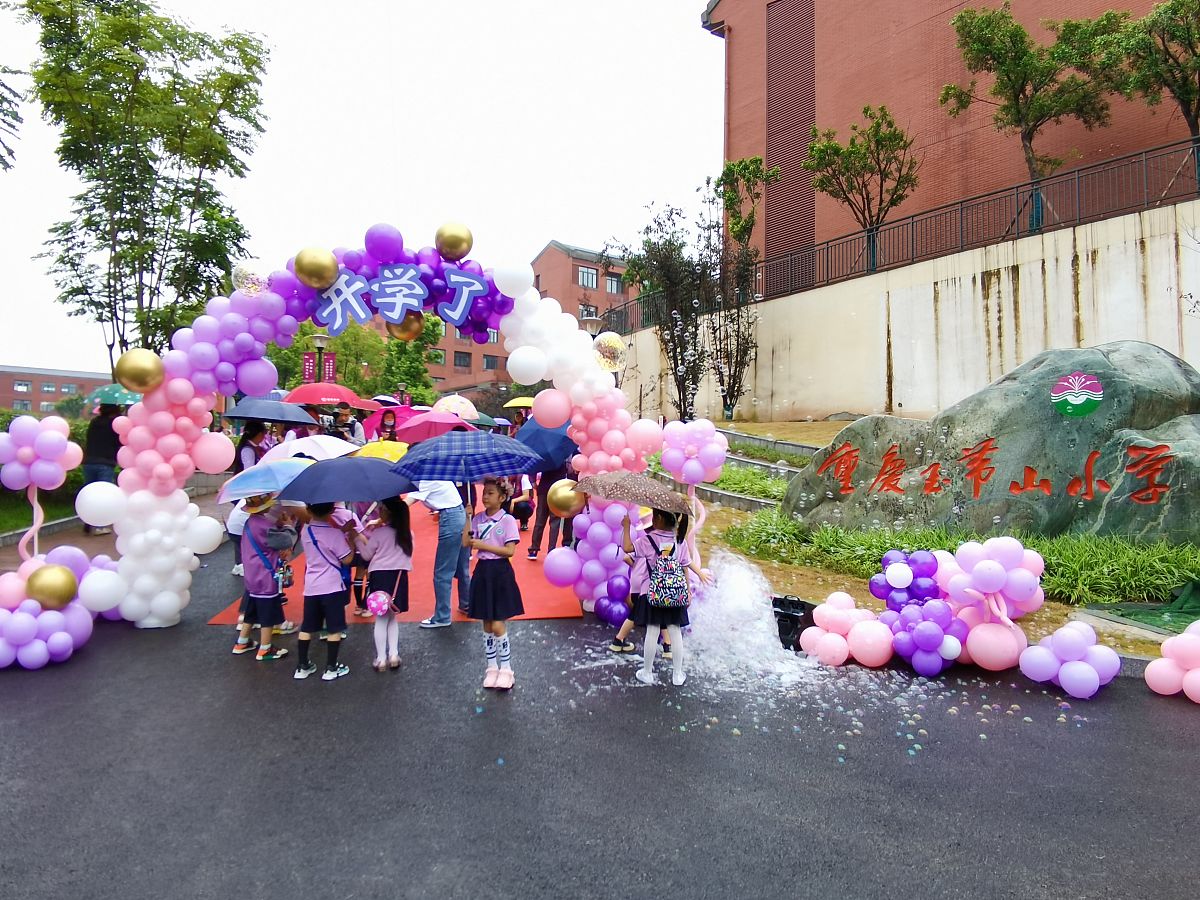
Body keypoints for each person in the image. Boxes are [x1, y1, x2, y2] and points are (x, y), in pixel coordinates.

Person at [622, 508, 709, 686]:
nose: (652, 519)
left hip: (651, 592)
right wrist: (689, 587)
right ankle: (677, 675)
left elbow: (627, 548)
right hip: (674, 594)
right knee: (675, 632)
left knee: (652, 631)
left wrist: (626, 527)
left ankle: (647, 672)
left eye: (654, 516)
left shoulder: (648, 539)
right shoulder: (679, 541)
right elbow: (685, 565)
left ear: (659, 518)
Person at [464, 477, 524, 690]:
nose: (485, 496)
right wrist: (467, 518)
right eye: (484, 492)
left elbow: (510, 551)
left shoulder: (506, 520)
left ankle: (506, 669)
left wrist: (483, 545)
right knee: (487, 624)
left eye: (490, 493)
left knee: (498, 623)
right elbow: (466, 543)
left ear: (502, 497)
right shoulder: (478, 518)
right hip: (482, 572)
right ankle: (491, 668)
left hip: (500, 573)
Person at [294, 502, 356, 681]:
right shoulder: (334, 533)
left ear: (309, 510)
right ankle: (331, 667)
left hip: (311, 586)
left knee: (307, 626)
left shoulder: (306, 531)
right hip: (332, 586)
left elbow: (322, 542)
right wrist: (350, 538)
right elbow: (347, 559)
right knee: (333, 628)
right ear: (331, 511)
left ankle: (303, 665)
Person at [232, 496, 297, 662]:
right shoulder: (265, 526)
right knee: (268, 612)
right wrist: (289, 525)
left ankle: (242, 641)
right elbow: (286, 540)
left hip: (252, 574)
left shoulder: (250, 522)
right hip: (265, 575)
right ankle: (265, 648)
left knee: (252, 609)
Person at [357, 497, 413, 672]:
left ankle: (381, 658)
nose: (379, 510)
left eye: (381, 508)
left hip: (380, 578)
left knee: (381, 618)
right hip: (398, 579)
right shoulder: (407, 534)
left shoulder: (379, 533)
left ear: (387, 512)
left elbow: (366, 555)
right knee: (391, 617)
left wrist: (357, 537)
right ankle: (394, 654)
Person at [411, 479, 471, 627]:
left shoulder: (425, 480)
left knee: (443, 572)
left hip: (450, 517)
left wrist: (382, 518)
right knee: (461, 567)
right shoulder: (437, 473)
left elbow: (408, 501)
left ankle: (442, 616)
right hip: (459, 512)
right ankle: (467, 603)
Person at [81, 404, 122, 535]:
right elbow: (118, 443)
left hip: (89, 462)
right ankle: (100, 526)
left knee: (89, 494)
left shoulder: (94, 422)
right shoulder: (114, 424)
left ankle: (87, 522)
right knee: (103, 496)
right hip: (105, 463)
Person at [526, 463, 574, 560]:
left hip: (544, 488)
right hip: (558, 491)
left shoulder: (545, 454)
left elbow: (533, 467)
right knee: (555, 522)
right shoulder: (564, 455)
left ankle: (534, 549)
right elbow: (570, 471)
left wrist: (533, 481)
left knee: (540, 520)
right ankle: (551, 550)